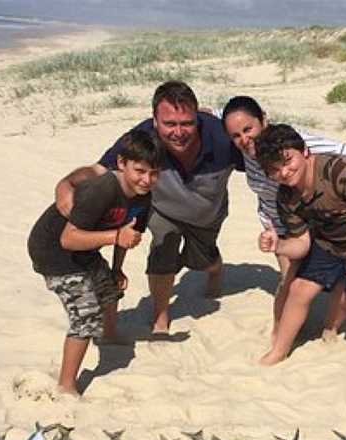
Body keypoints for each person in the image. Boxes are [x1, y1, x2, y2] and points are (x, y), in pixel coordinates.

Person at [55, 81, 243, 335]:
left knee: (202, 260)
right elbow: (98, 170)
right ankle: (160, 315)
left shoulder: (221, 138)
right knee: (163, 247)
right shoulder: (142, 138)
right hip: (162, 209)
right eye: (170, 124)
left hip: (206, 214)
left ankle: (215, 269)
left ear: (197, 118)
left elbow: (262, 159)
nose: (179, 132)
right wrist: (65, 183)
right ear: (154, 121)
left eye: (187, 123)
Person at [254, 124, 346, 414]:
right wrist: (278, 246)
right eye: (274, 169)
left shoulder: (338, 170)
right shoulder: (286, 197)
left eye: (288, 161)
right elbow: (301, 243)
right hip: (331, 231)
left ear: (305, 152)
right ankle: (278, 352)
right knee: (299, 288)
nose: (284, 172)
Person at [221, 96, 346, 342]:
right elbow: (220, 114)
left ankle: (329, 328)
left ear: (264, 120)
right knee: (288, 283)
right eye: (236, 136)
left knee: (343, 280)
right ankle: (281, 337)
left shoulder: (294, 144)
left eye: (248, 129)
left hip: (316, 220)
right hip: (279, 226)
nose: (244, 139)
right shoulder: (247, 150)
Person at [28, 130, 164, 396]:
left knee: (110, 289)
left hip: (84, 247)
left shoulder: (144, 196)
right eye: (140, 171)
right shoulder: (102, 189)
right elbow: (68, 239)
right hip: (53, 251)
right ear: (122, 163)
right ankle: (66, 385)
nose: (147, 179)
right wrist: (115, 236)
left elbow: (129, 234)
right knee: (86, 316)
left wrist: (116, 268)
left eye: (154, 172)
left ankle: (109, 335)